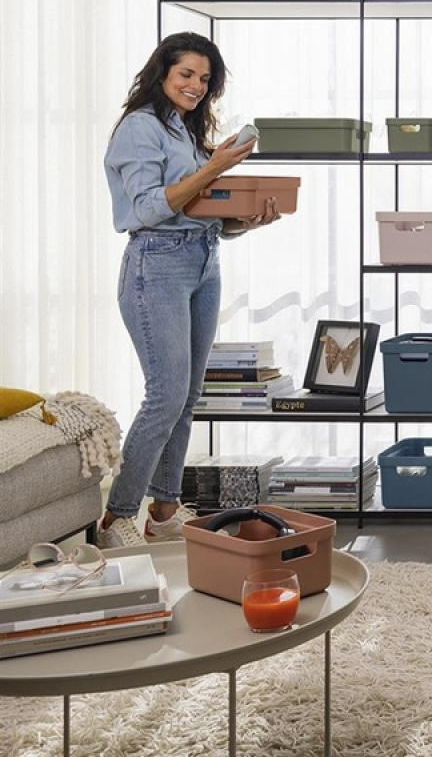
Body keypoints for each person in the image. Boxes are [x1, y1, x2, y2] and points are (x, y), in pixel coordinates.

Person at [100, 31, 279, 548]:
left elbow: (205, 215)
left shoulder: (183, 130)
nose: (196, 86)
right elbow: (153, 207)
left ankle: (164, 509)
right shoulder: (140, 128)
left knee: (188, 396)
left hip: (203, 260)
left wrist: (247, 221)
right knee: (166, 395)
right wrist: (215, 167)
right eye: (187, 74)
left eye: (205, 79)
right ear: (162, 73)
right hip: (155, 265)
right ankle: (116, 519)